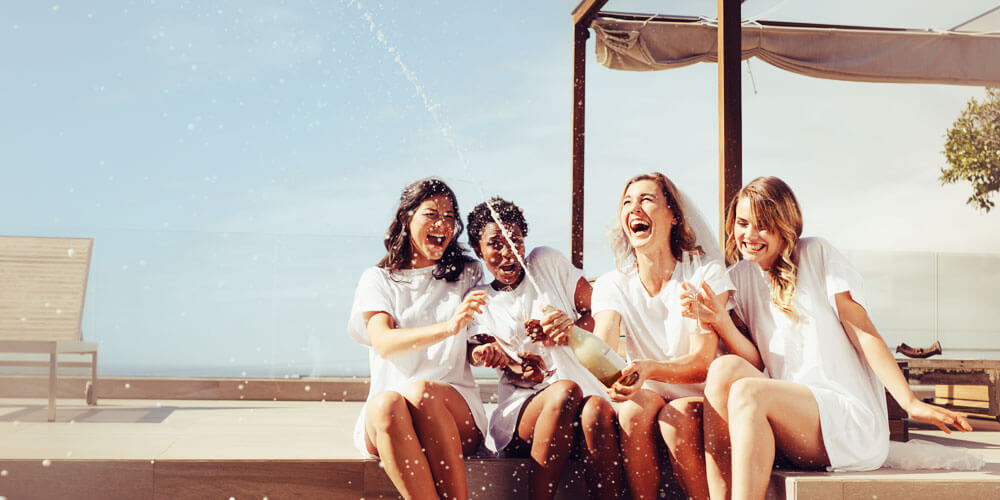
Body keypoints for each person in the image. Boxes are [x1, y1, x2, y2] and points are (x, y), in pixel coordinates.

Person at [698, 176, 972, 500]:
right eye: (742, 223)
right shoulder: (739, 279)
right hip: (795, 420)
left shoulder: (815, 253)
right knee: (723, 370)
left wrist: (909, 402)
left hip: (847, 420)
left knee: (747, 390)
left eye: (763, 225)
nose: (749, 235)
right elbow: (754, 360)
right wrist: (720, 321)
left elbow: (863, 332)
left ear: (784, 225)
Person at [591, 172, 760, 500]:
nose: (634, 208)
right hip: (648, 389)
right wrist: (578, 345)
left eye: (646, 200)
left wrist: (649, 369)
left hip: (703, 392)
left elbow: (701, 363)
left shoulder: (703, 271)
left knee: (675, 419)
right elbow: (603, 342)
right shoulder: (613, 283)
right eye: (627, 202)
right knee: (631, 412)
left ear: (672, 215)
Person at [465, 197, 623, 500]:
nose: (508, 251)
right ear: (478, 250)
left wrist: (570, 330)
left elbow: (598, 310)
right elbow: (481, 350)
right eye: (495, 244)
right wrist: (511, 363)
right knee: (564, 391)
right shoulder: (480, 299)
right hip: (523, 415)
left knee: (597, 411)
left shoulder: (545, 263)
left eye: (515, 240)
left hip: (582, 399)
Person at [347, 178, 488, 500]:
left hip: (452, 411)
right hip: (390, 421)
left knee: (423, 392)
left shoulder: (469, 272)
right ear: (406, 218)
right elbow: (383, 341)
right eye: (431, 214)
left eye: (451, 216)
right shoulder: (378, 279)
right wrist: (448, 328)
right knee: (386, 401)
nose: (443, 223)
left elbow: (476, 341)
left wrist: (485, 350)